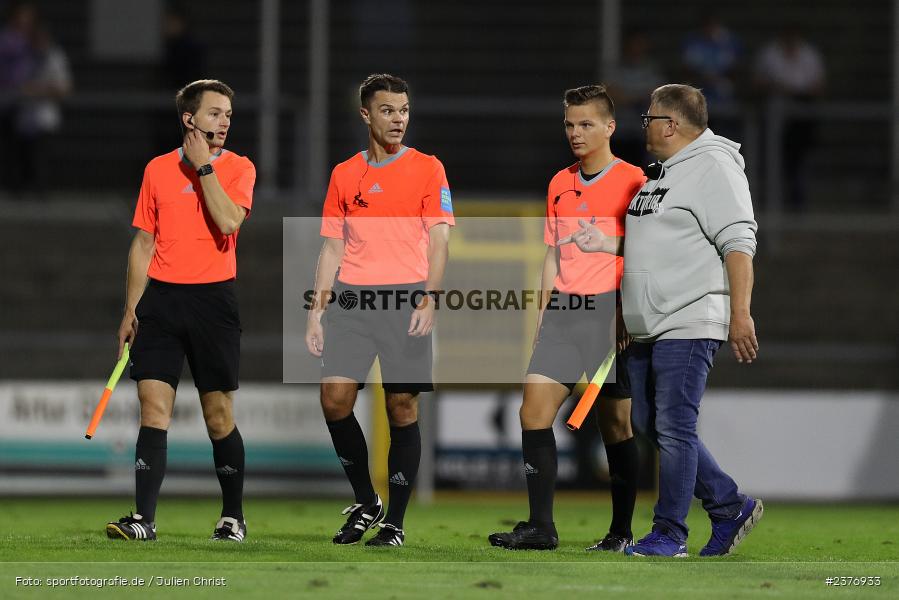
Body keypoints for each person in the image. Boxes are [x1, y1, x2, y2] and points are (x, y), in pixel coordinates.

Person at [567, 84, 763, 557]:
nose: (645, 127)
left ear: (672, 125)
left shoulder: (713, 167)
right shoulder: (664, 176)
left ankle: (670, 533)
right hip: (647, 324)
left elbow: (739, 243)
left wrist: (740, 314)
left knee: (674, 426)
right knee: (653, 422)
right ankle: (727, 504)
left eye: (649, 119)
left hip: (690, 319)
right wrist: (607, 246)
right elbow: (660, 246)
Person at [487, 85, 645, 552]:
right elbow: (552, 255)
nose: (575, 133)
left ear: (610, 127)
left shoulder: (635, 181)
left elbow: (645, 252)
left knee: (616, 424)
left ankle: (620, 532)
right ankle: (541, 527)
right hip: (564, 313)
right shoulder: (560, 182)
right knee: (532, 412)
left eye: (586, 124)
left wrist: (625, 311)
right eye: (570, 125)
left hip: (609, 314)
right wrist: (543, 313)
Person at [305, 73, 453, 548]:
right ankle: (367, 500)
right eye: (388, 110)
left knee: (401, 405)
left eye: (404, 110)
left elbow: (440, 238)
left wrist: (430, 297)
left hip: (405, 297)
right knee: (334, 399)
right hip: (351, 298)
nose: (398, 119)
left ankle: (395, 523)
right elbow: (330, 247)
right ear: (366, 114)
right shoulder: (345, 174)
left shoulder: (429, 168)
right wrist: (315, 310)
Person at [106, 79, 256, 543]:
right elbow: (144, 242)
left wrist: (203, 168)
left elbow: (230, 221)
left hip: (213, 301)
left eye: (228, 114)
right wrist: (131, 307)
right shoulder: (156, 170)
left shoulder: (238, 168)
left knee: (218, 415)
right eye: (215, 113)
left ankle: (233, 516)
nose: (225, 121)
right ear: (189, 119)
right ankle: (143, 520)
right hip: (163, 302)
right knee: (153, 408)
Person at [754, 25, 826, 210]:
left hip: (802, 113)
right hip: (775, 112)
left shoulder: (809, 54)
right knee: (773, 158)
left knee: (798, 160)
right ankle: (771, 202)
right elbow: (758, 82)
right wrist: (779, 89)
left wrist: (796, 93)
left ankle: (797, 203)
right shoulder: (770, 54)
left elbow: (818, 86)